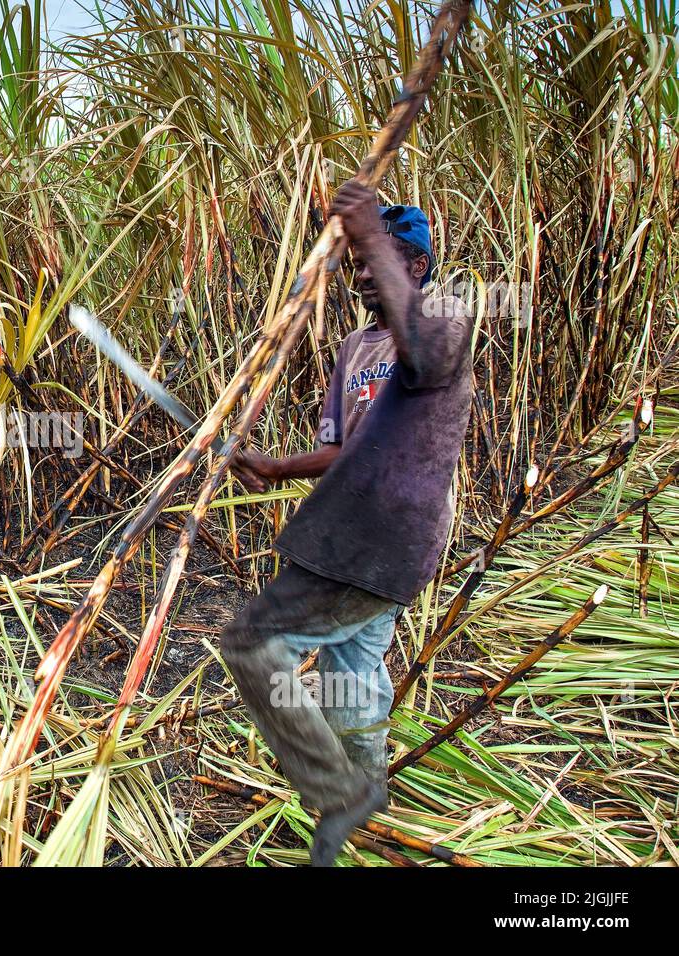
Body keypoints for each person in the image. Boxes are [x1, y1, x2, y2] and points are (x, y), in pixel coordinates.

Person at [223, 182, 474, 864]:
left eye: (375, 258)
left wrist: (364, 227)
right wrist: (277, 468)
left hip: (382, 541)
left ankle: (339, 794)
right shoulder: (356, 348)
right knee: (355, 666)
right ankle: (369, 789)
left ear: (414, 266)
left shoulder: (442, 330)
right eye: (357, 261)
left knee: (250, 645)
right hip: (351, 531)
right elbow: (342, 447)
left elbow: (418, 353)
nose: (360, 271)